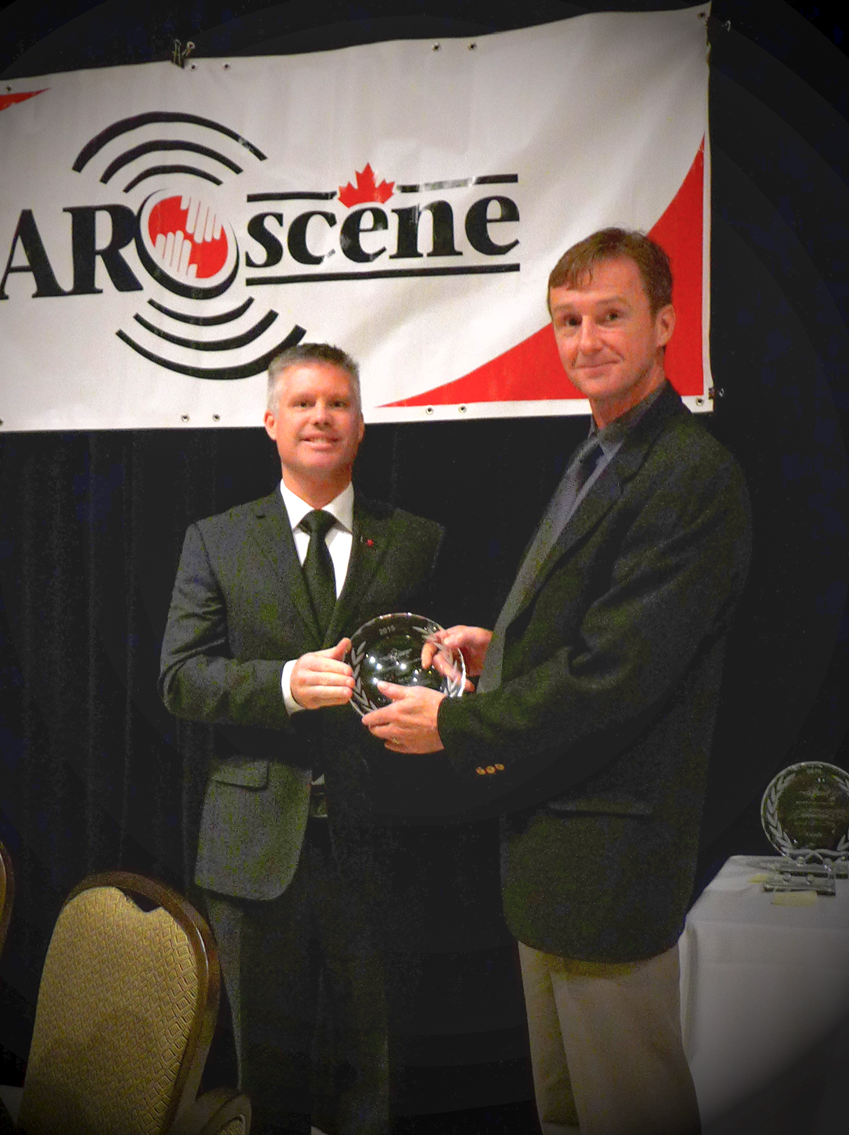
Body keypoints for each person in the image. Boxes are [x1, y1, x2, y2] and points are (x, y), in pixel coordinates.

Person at [362, 229, 752, 1135]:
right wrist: (497, 648)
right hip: (551, 861)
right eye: (568, 321)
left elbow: (615, 677)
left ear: (665, 323)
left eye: (610, 315)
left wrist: (455, 727)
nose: (587, 340)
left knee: (630, 1110)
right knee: (568, 1113)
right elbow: (595, 626)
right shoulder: (598, 450)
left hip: (609, 862)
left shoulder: (690, 474)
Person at [159, 343, 446, 1135]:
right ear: (270, 421)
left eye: (338, 403)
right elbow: (180, 678)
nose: (321, 417)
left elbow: (451, 671)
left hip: (381, 840)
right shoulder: (216, 539)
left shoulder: (418, 540)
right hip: (254, 849)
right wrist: (282, 683)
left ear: (362, 424)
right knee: (266, 1075)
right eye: (304, 403)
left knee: (377, 1070)